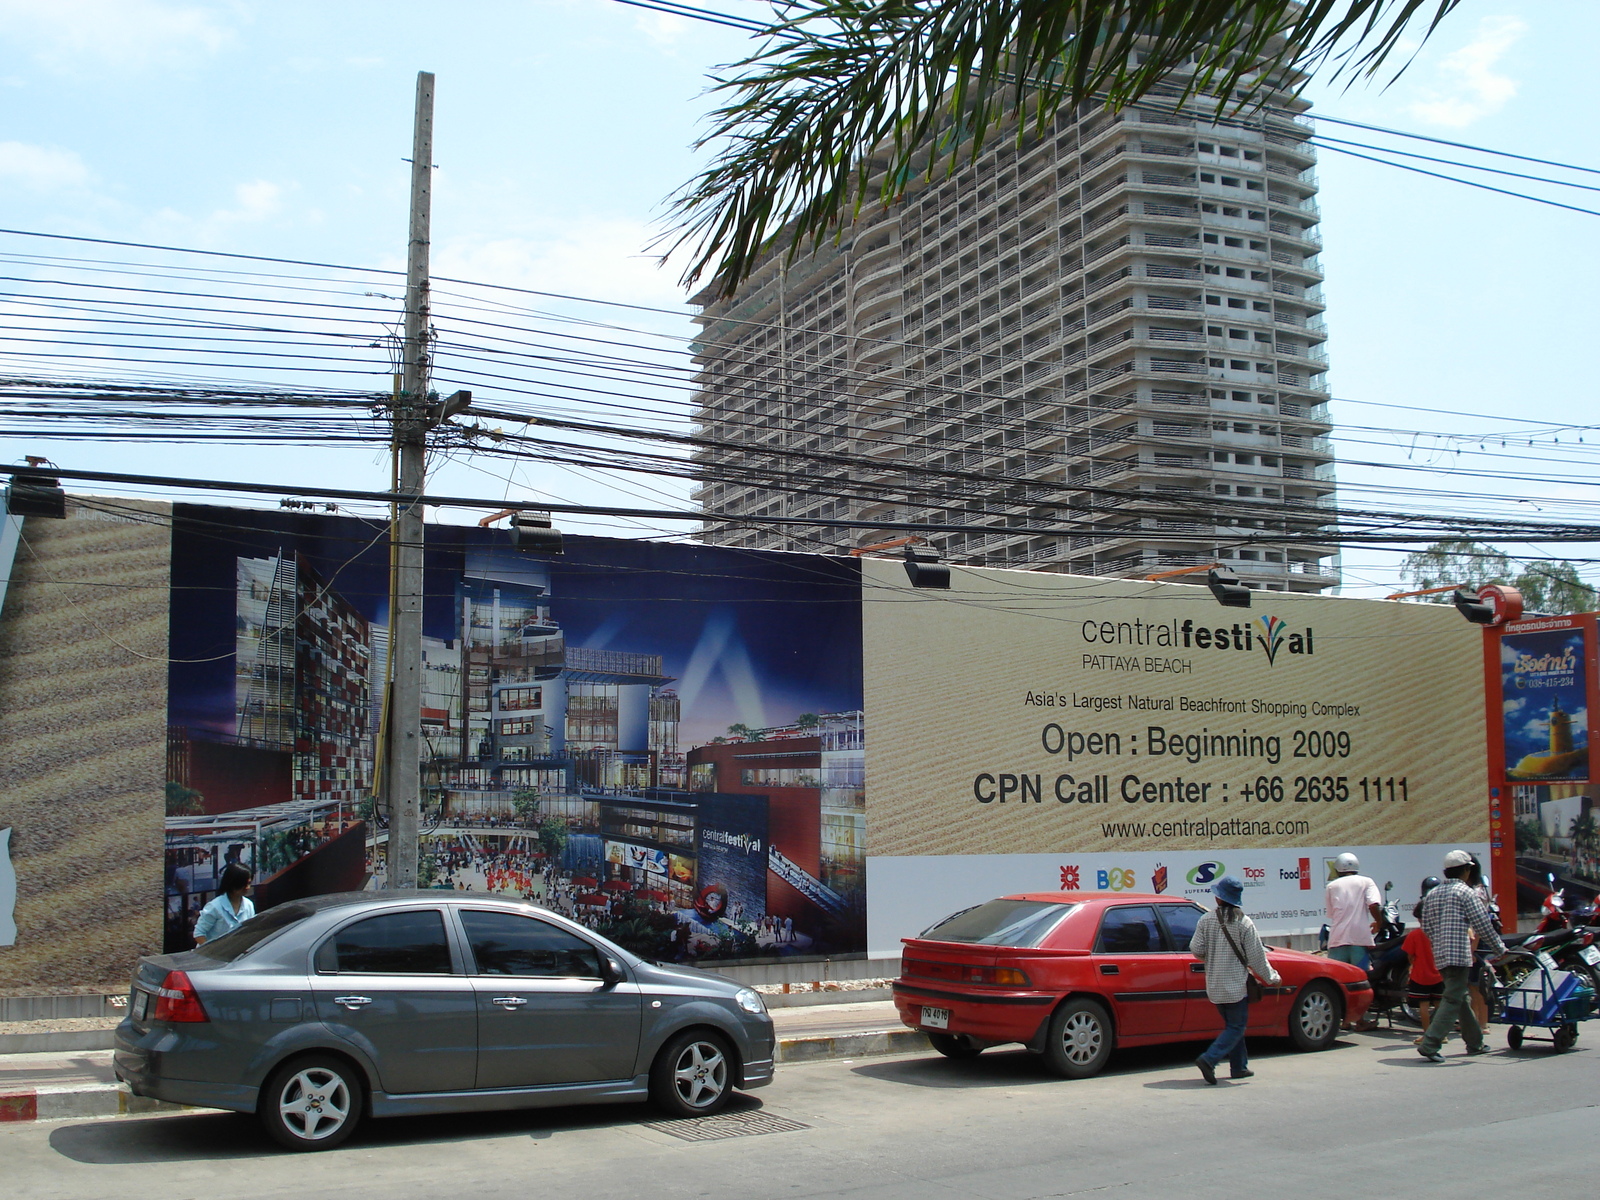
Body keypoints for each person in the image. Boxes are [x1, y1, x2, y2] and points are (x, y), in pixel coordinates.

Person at [1189, 875, 1281, 1084]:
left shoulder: (1206, 920)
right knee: (1236, 1027)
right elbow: (1257, 957)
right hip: (1235, 987)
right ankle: (1209, 1059)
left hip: (1214, 986)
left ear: (1219, 899)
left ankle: (1239, 1067)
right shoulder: (1244, 923)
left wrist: (1211, 957)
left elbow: (1196, 949)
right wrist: (1273, 978)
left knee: (1233, 1025)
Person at [1417, 849, 1506, 1062]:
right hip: (1458, 955)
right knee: (1452, 999)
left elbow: (1427, 927)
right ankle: (1430, 1044)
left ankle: (1475, 1043)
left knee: (1461, 998)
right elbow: (1482, 924)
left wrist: (1440, 944)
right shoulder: (1466, 892)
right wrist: (1499, 948)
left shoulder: (1432, 894)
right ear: (1466, 870)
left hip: (1440, 955)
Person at [1401, 878, 1444, 1041]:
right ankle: (1442, 1034)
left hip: (1420, 976)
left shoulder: (1414, 935)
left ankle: (1428, 1035)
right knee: (1439, 1005)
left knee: (1424, 1006)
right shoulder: (1439, 933)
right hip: (1439, 974)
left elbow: (1410, 956)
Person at [1325, 851, 1383, 971]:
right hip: (1359, 939)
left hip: (1337, 939)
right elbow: (1373, 904)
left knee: (1337, 978)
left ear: (1337, 869)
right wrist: (1379, 922)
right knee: (1361, 977)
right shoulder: (1367, 882)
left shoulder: (1331, 886)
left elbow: (1331, 914)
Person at [192, 862, 254, 946]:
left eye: (249, 883)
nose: (247, 887)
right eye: (243, 884)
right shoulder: (215, 906)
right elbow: (199, 934)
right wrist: (211, 951)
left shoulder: (249, 905)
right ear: (233, 883)